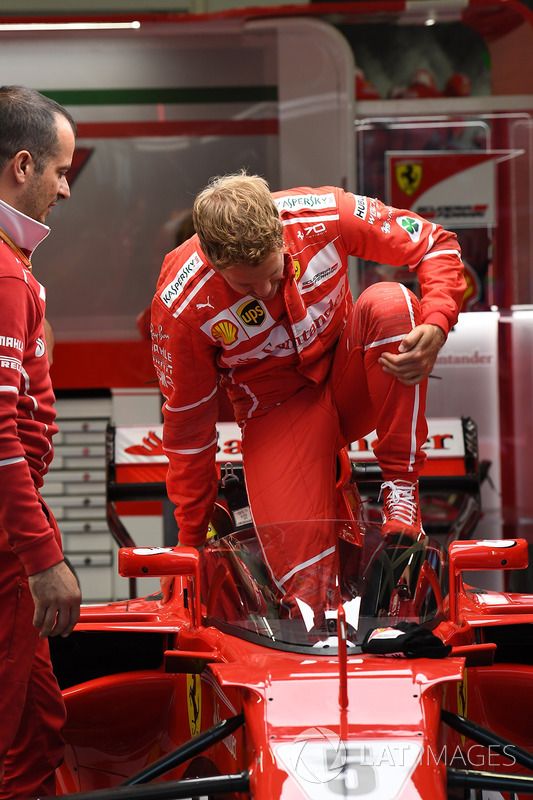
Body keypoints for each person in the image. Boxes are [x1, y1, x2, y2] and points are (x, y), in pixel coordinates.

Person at [151, 172, 465, 619]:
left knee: (393, 305)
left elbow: (435, 242)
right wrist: (187, 543)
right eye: (245, 287)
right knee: (307, 598)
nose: (265, 292)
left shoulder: (323, 213)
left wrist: (437, 321)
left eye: (273, 274)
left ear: (282, 235)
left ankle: (402, 489)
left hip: (348, 372)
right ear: (212, 261)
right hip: (277, 414)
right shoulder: (180, 305)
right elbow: (189, 430)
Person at [0, 86, 81, 798]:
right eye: (60, 170)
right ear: (22, 165)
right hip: (4, 542)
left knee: (40, 721)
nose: (65, 187)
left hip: (10, 533)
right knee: (16, 742)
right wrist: (42, 553)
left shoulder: (11, 266)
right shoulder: (3, 272)